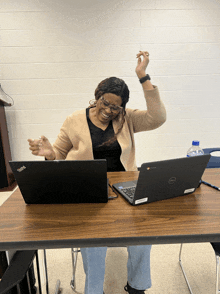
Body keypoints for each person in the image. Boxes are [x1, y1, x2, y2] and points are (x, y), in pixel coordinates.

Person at [28, 51, 166, 294]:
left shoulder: (127, 118)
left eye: (116, 106)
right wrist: (50, 153)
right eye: (105, 102)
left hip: (125, 186)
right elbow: (58, 156)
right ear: (97, 96)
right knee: (94, 243)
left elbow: (158, 117)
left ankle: (137, 287)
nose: (109, 110)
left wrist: (143, 76)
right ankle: (94, 290)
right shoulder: (74, 119)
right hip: (88, 187)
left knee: (143, 237)